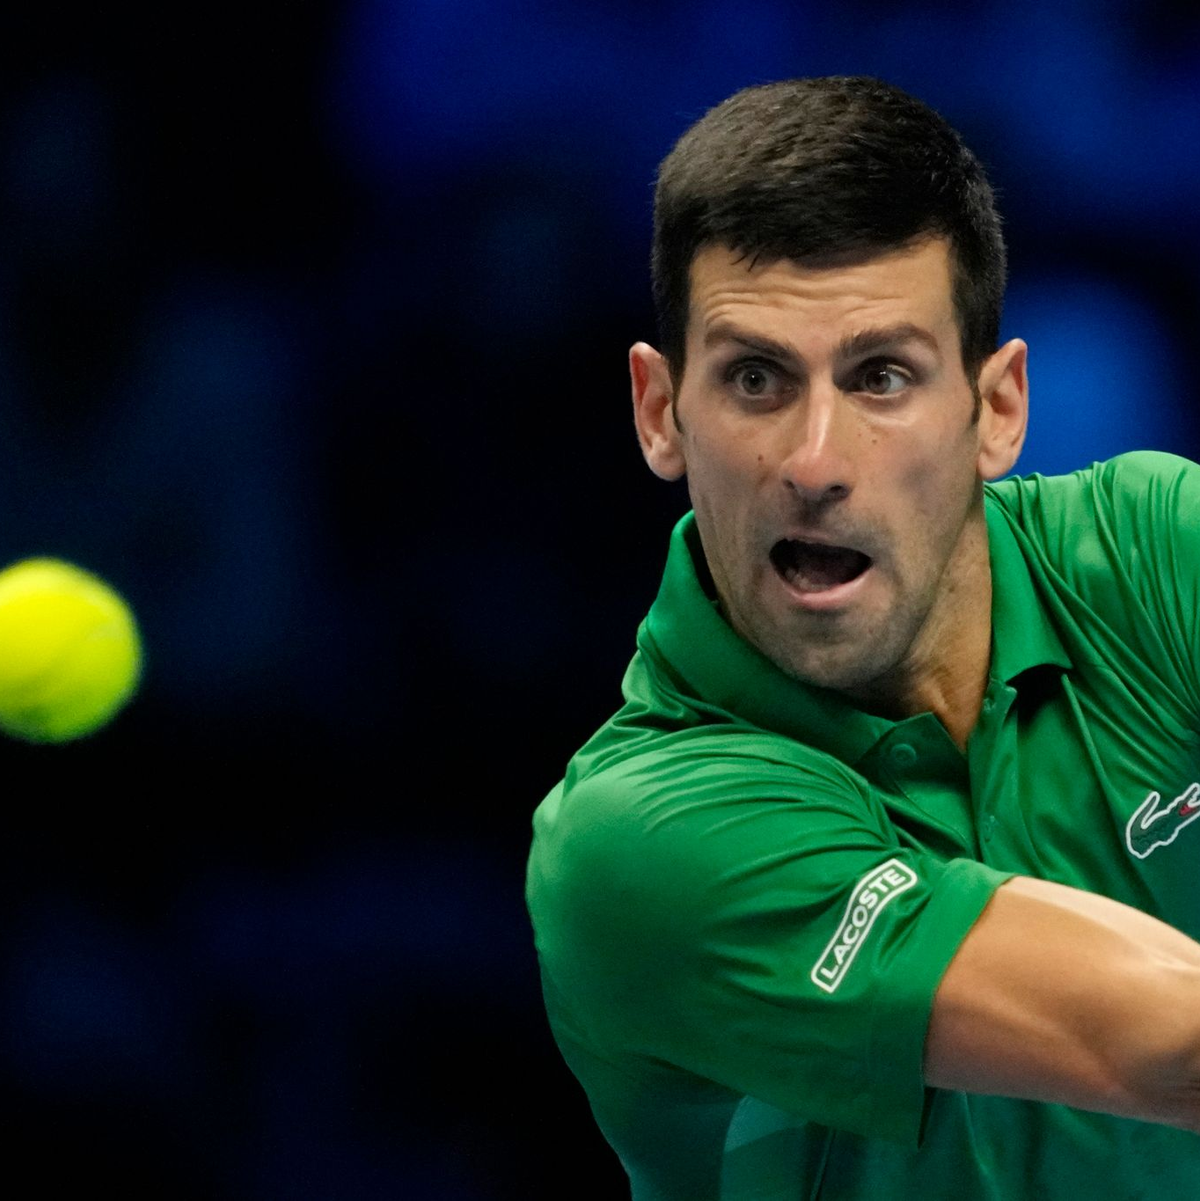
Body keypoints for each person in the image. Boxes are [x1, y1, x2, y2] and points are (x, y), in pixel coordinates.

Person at [525, 76, 1200, 1199]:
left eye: (883, 375)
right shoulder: (633, 838)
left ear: (997, 410)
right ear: (661, 411)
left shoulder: (1146, 548)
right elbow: (1168, 1041)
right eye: (756, 379)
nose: (816, 462)